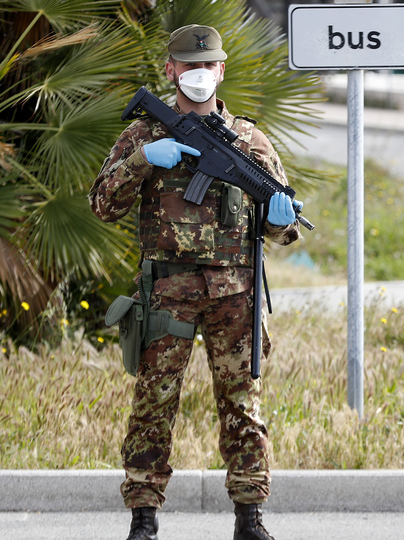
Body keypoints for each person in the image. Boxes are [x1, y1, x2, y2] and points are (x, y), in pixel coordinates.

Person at [89, 23, 302, 540]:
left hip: (235, 294)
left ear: (221, 71)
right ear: (171, 70)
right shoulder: (144, 135)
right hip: (167, 291)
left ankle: (250, 518)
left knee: (242, 406)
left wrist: (279, 218)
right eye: (189, 66)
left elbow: (284, 231)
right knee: (154, 404)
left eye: (207, 66)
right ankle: (143, 519)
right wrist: (142, 160)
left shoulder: (250, 141)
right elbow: (102, 206)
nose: (198, 75)